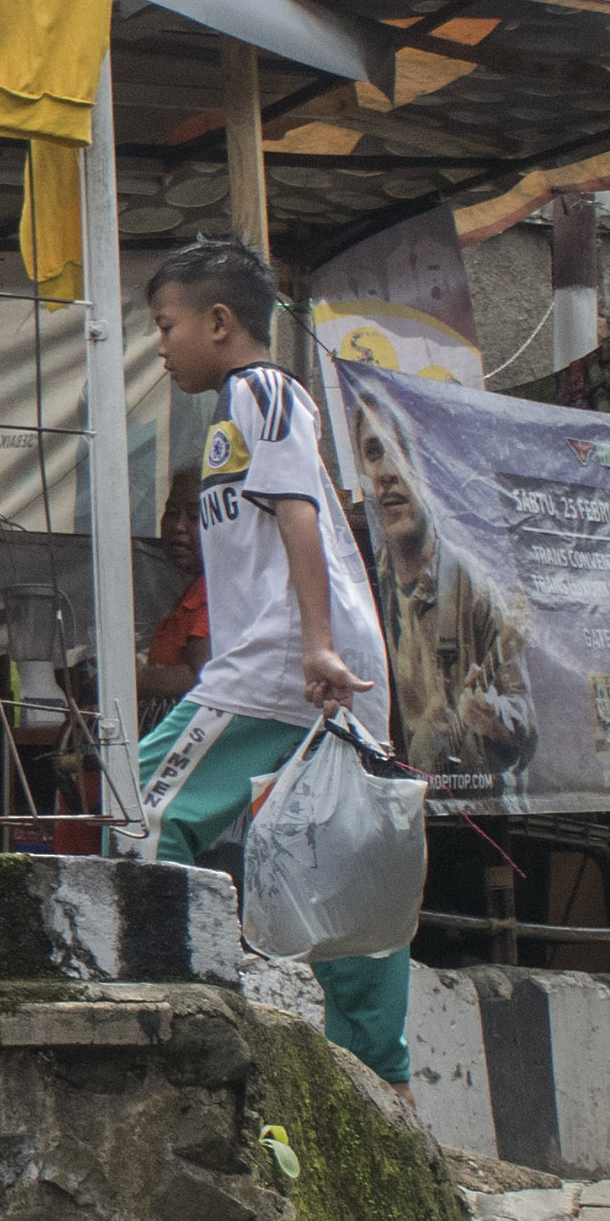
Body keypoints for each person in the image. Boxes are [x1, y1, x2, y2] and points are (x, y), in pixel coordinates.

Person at [139, 238, 413, 1091]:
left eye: (166, 325)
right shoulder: (241, 406)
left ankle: (158, 1016)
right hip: (321, 660)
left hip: (288, 657)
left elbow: (299, 512)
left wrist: (315, 642)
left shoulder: (261, 390)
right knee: (345, 874)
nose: (160, 345)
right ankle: (382, 1080)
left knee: (142, 809)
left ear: (219, 322)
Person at [352, 399, 538, 788]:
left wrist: (495, 719)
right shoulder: (363, 584)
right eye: (374, 452)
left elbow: (525, 729)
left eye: (401, 449)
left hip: (471, 811)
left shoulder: (474, 584)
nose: (388, 472)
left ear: (427, 466)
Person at [140, 468, 207, 720]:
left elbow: (202, 676)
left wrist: (128, 680)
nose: (178, 526)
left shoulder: (218, 592)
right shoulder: (193, 592)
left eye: (194, 516)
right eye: (171, 512)